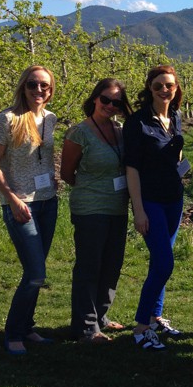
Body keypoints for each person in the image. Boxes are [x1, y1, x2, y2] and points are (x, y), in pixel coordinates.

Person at [0, 65, 58, 355]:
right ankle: (14, 332)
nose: (38, 90)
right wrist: (12, 198)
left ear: (51, 90)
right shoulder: (8, 118)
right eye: (32, 84)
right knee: (35, 272)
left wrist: (51, 177)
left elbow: (44, 155)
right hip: (21, 204)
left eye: (45, 85)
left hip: (47, 201)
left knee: (36, 271)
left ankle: (27, 327)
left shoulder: (50, 118)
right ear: (23, 86)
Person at [60, 78, 133, 343]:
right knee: (89, 267)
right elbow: (67, 173)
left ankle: (100, 316)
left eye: (116, 102)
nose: (110, 106)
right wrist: (92, 189)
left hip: (117, 208)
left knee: (112, 265)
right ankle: (85, 327)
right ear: (94, 98)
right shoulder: (80, 132)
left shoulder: (121, 130)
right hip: (91, 208)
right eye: (105, 99)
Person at [123, 65, 187, 351]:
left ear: (176, 89)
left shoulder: (175, 117)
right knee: (164, 263)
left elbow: (177, 154)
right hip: (150, 201)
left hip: (174, 199)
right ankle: (140, 327)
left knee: (162, 261)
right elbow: (132, 169)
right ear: (150, 87)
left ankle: (155, 315)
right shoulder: (137, 122)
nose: (164, 89)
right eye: (159, 85)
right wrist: (138, 210)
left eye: (169, 85)